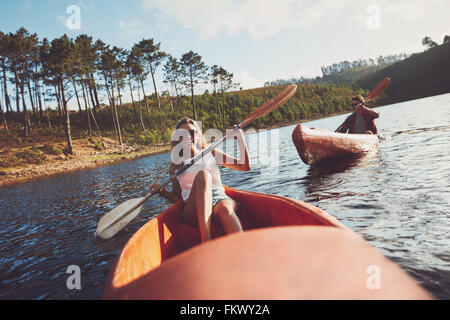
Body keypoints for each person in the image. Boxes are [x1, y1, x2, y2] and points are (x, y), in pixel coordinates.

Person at [150, 118, 251, 242]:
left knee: (226, 210)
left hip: (219, 198)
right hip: (192, 208)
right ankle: (206, 241)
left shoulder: (211, 153)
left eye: (192, 133)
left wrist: (240, 139)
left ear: (198, 135)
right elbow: (178, 199)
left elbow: (244, 166)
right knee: (203, 175)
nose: (188, 137)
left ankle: (243, 249)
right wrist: (162, 192)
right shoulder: (175, 166)